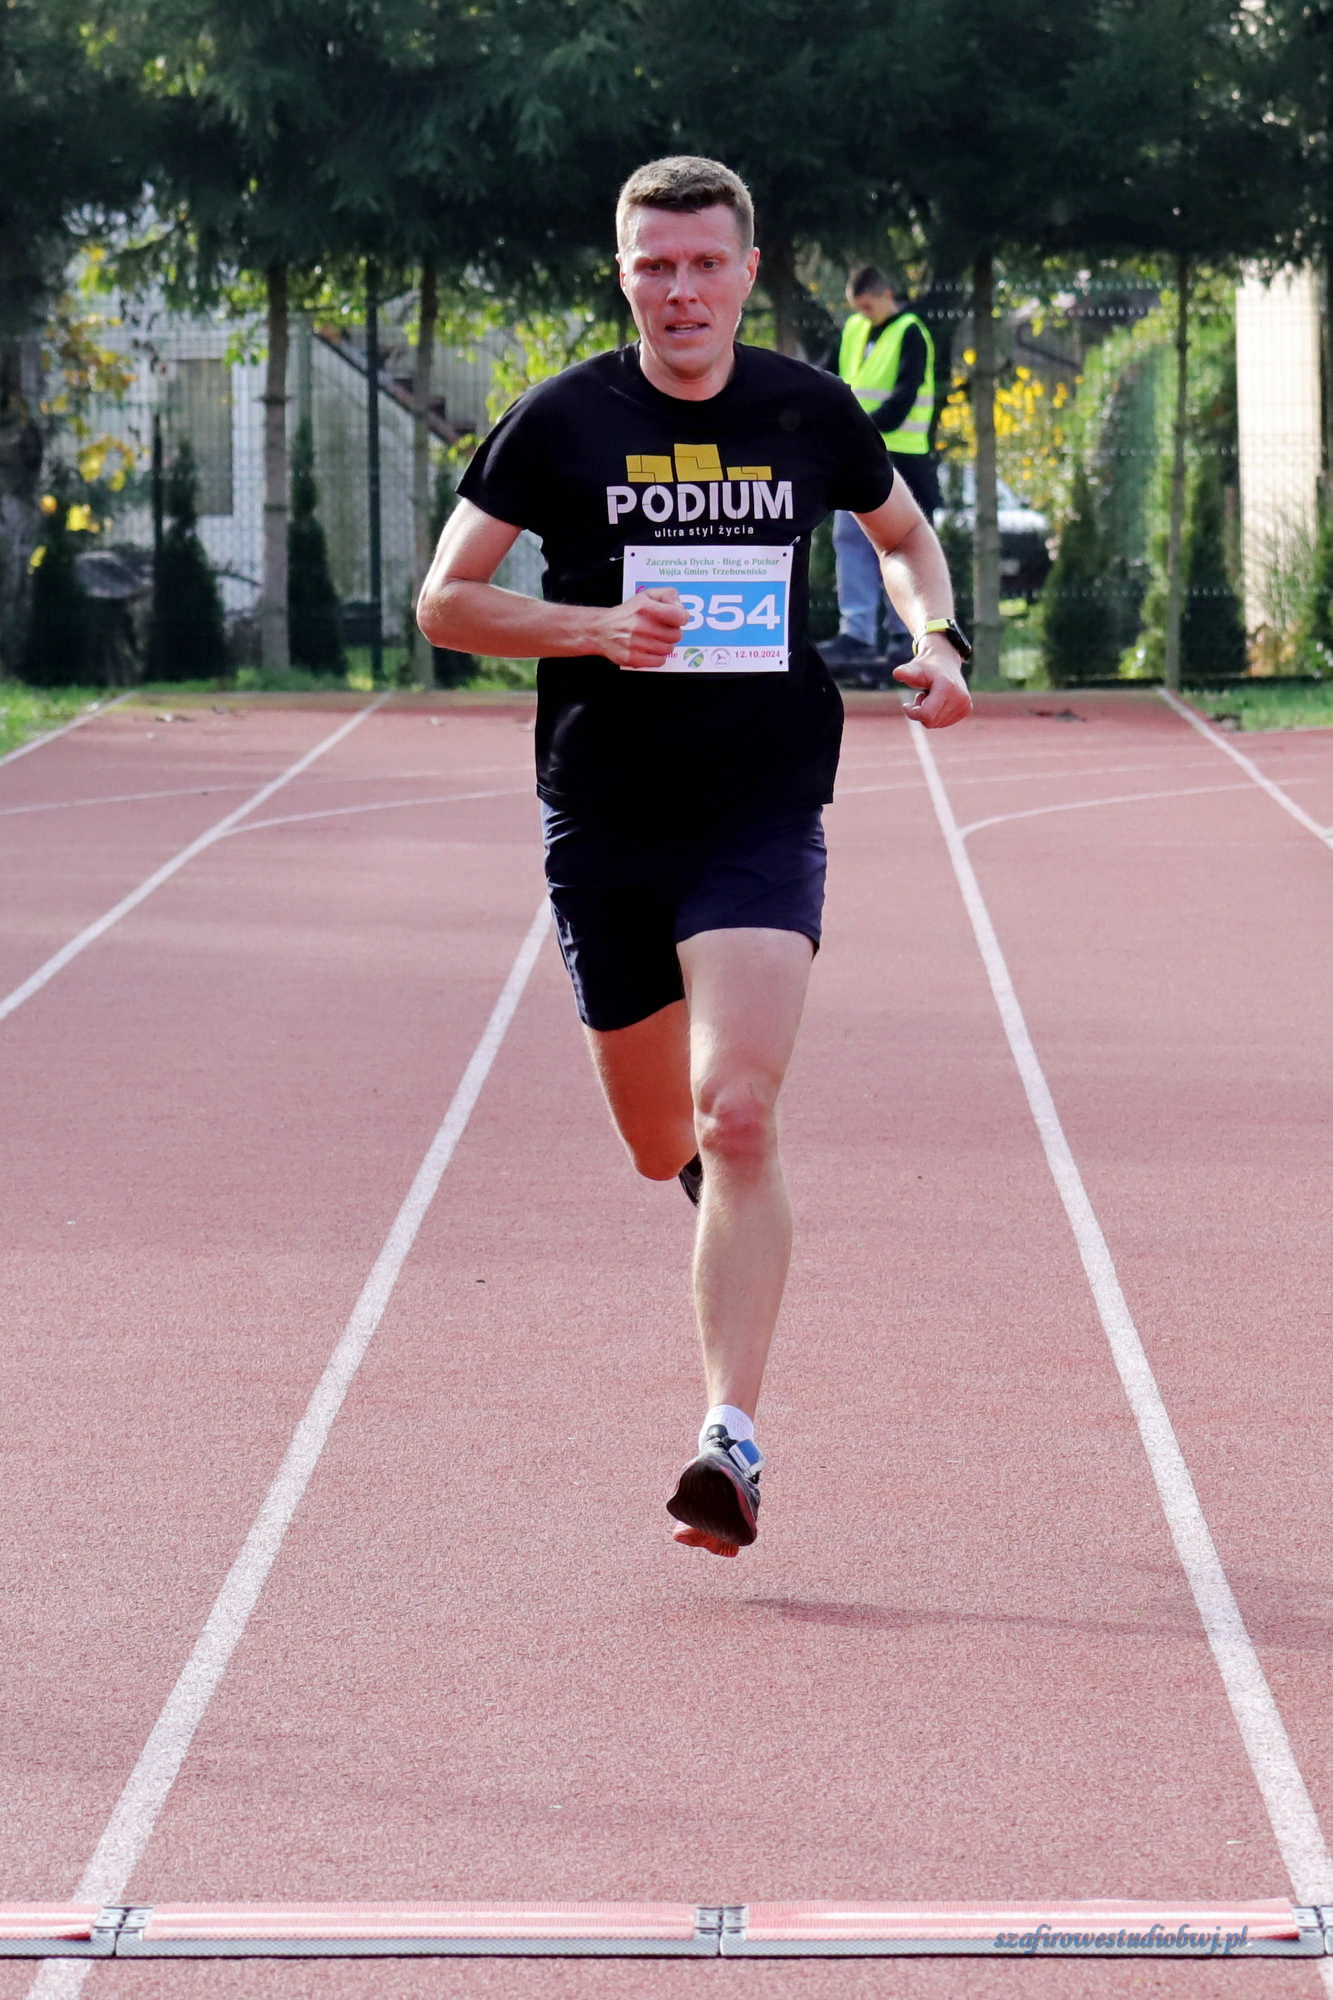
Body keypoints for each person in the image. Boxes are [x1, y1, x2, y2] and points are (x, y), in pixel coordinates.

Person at [417, 157, 970, 1559]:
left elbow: (903, 536)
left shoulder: (806, 408)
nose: (681, 291)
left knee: (736, 1113)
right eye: (655, 266)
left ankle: (730, 1438)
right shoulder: (560, 419)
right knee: (661, 1139)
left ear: (746, 270)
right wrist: (593, 629)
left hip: (758, 808)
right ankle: (714, 1193)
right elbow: (445, 602)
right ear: (624, 275)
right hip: (605, 818)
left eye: (705, 264)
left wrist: (937, 636)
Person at [819, 266, 941, 678]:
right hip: (857, 454)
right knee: (850, 539)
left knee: (900, 544)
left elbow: (904, 397)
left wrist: (857, 429)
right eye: (858, 308)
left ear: (887, 295)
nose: (863, 315)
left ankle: (902, 634)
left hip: (900, 457)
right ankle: (857, 633)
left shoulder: (910, 332)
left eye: (869, 307)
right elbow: (824, 376)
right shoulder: (855, 329)